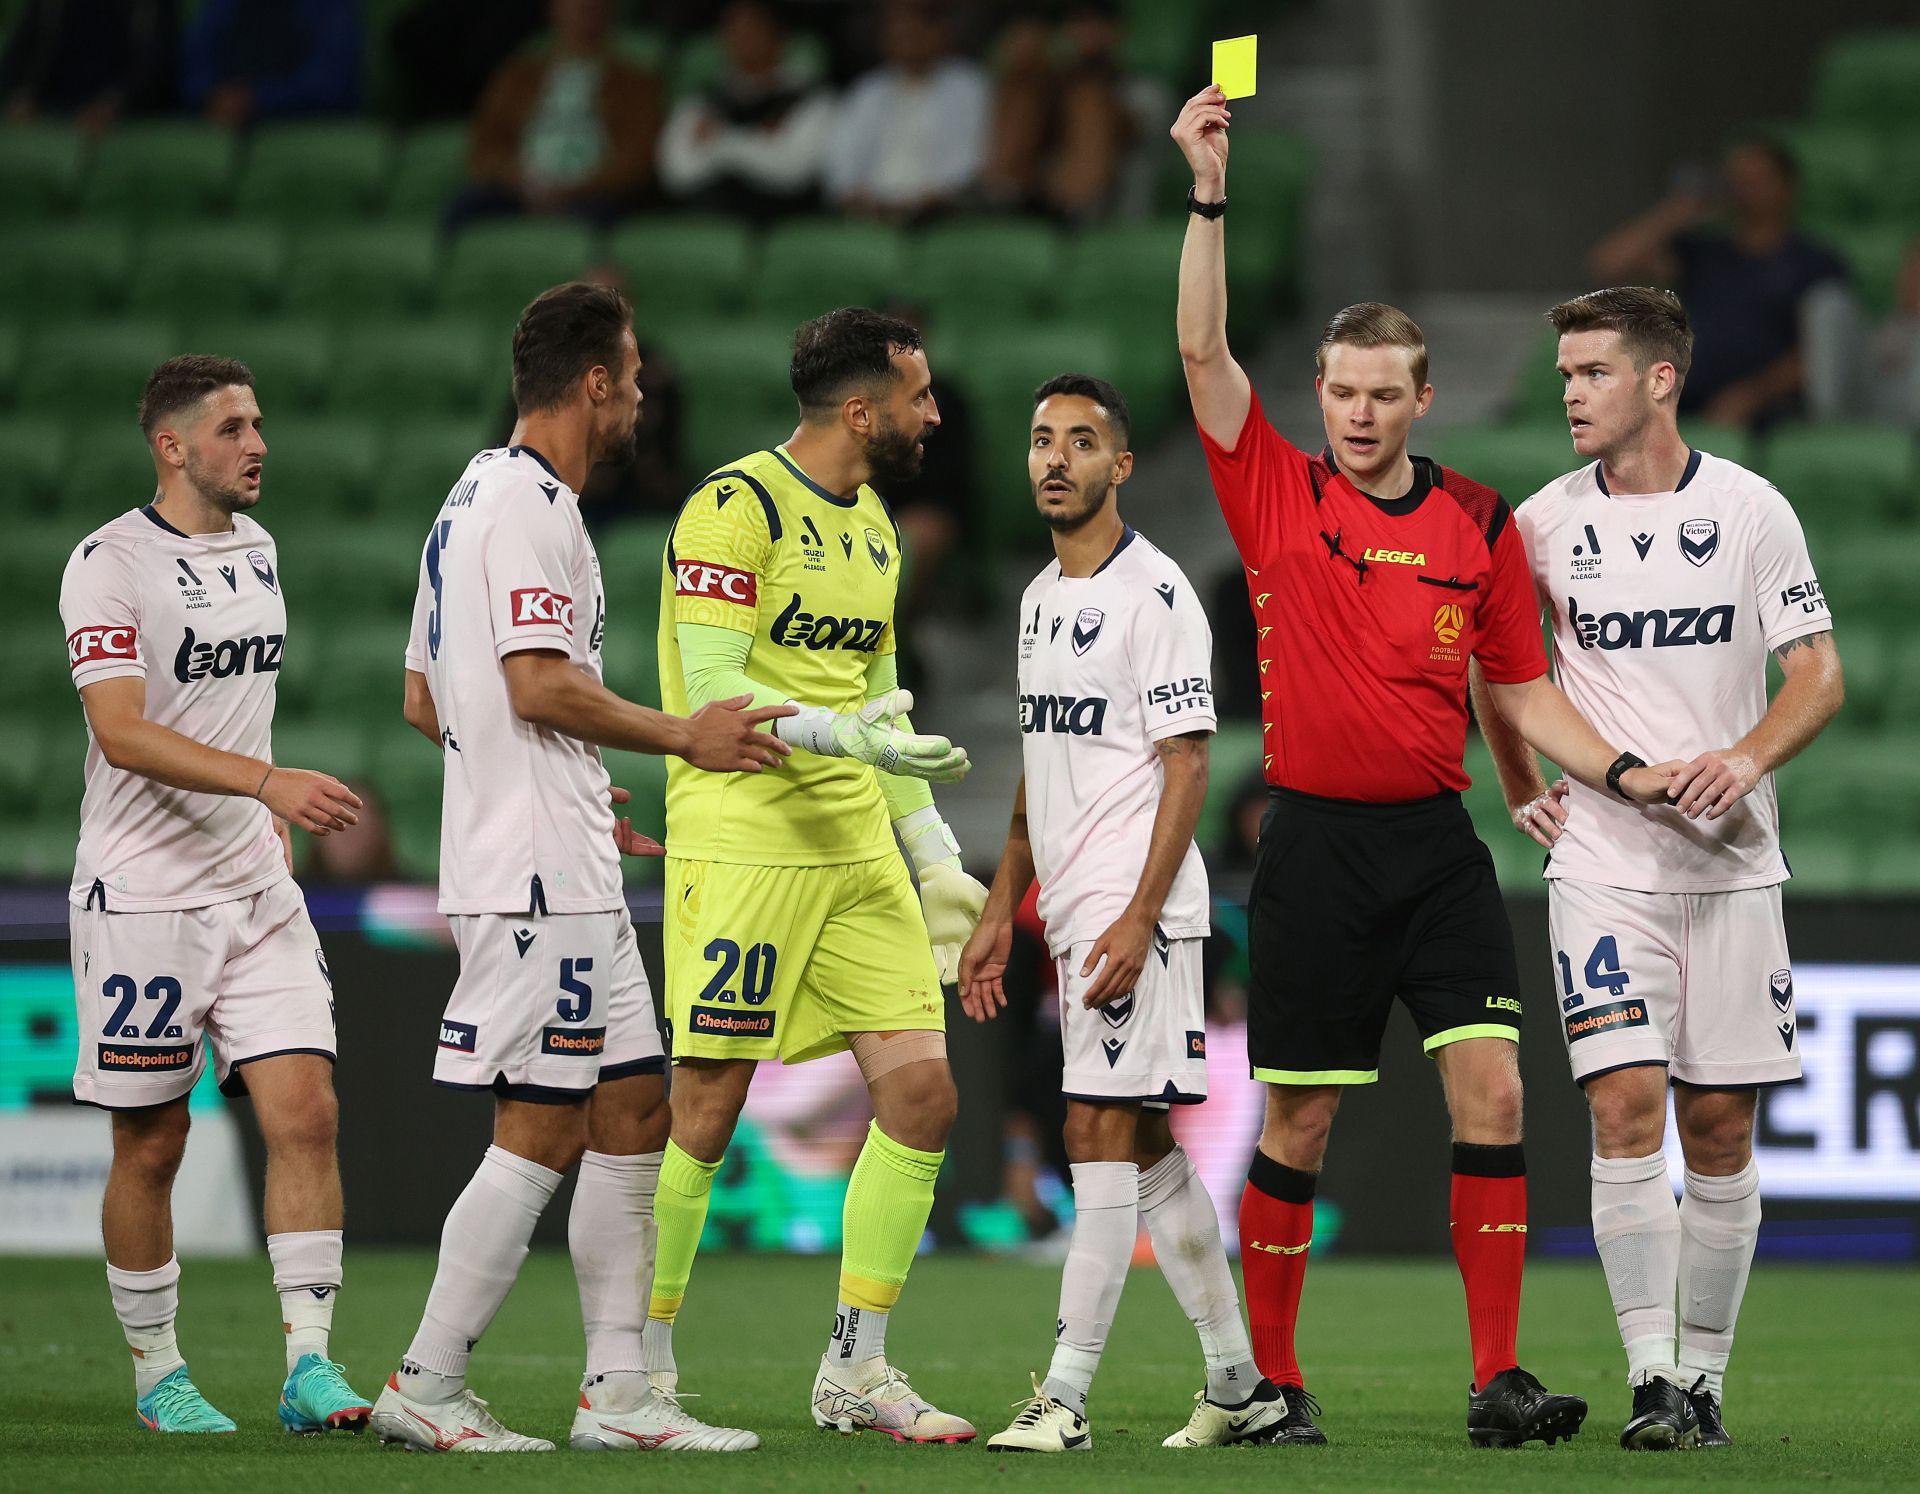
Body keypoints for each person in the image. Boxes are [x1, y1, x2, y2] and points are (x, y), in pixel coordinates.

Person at [1171, 85, 1685, 1448]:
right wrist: (1209, 193)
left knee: (1501, 1092)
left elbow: (1520, 686)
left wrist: (1626, 771)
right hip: (1315, 848)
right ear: (1321, 395)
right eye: (1338, 390)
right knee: (1298, 1127)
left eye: (1379, 393)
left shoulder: (1476, 519)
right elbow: (1201, 346)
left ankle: (1497, 1377)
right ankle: (1268, 1383)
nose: (1355, 411)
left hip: (1436, 848)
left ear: (1419, 397)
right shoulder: (1276, 490)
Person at [372, 282, 789, 1455]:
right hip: (533, 877)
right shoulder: (527, 506)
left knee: (633, 1106)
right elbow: (534, 683)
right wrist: (681, 736)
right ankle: (427, 1381)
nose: (646, 389)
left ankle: (619, 1397)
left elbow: (426, 696)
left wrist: (567, 777)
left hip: (560, 856)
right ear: (595, 381)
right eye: (636, 370)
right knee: (542, 1126)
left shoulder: (470, 499)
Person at [1471, 287, 1844, 1451]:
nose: (1569, 391)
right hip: (1604, 861)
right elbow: (1500, 669)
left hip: (1732, 864)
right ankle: (1651, 1380)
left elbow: (1819, 676)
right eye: (1567, 372)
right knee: (1625, 1105)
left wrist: (1741, 760)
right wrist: (1521, 781)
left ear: (1660, 379)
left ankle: (1708, 1387)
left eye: (1592, 372)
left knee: (1720, 1127)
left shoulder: (1749, 509)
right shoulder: (1536, 524)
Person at [644, 306, 985, 1444]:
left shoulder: (880, 525)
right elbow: (709, 690)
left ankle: (856, 1368)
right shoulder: (731, 509)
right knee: (706, 1107)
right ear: (861, 410)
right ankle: (640, 1366)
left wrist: (933, 855)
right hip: (745, 838)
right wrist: (849, 739)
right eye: (920, 395)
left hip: (851, 847)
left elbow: (883, 713)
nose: (934, 413)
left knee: (925, 1095)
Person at [959, 373, 1286, 1451]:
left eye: (1081, 441)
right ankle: (1240, 1387)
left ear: (1121, 465)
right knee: (1140, 1144)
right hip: (1072, 910)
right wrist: (1003, 907)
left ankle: (1064, 1398)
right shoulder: (1039, 599)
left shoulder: (1158, 598)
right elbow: (1033, 771)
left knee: (1094, 1133)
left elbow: (1189, 765)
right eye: (1043, 439)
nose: (1056, 458)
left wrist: (1143, 915)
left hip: (1133, 912)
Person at [58, 355, 370, 1434]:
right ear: (172, 445)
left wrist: (266, 812)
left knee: (308, 1113)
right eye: (234, 426)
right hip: (146, 893)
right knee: (152, 1144)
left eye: (260, 423)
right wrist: (266, 782)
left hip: (254, 882)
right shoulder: (107, 564)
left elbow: (240, 710)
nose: (259, 443)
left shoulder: (260, 548)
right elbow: (122, 730)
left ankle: (310, 1366)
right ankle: (158, 1374)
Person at [1588, 141, 1848, 430]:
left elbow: (1822, 351)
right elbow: (1609, 265)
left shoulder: (1815, 262)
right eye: (1737, 181)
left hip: (1769, 408)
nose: (1746, 190)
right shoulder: (1704, 253)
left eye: (1757, 181)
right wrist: (1677, 211)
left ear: (1788, 186)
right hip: (1684, 397)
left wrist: (1754, 394)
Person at [449, 0, 663, 231]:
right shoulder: (517, 76)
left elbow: (637, 158)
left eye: (596, 9)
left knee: (601, 215)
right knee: (466, 207)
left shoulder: (637, 83)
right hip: (518, 189)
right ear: (554, 10)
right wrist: (517, 178)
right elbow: (485, 146)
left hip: (592, 194)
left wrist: (575, 188)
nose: (587, 16)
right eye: (578, 8)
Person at [657, 0, 836, 222]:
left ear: (780, 35)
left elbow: (792, 171)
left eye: (752, 27)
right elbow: (677, 173)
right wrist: (761, 141)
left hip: (781, 225)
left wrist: (718, 142)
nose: (741, 38)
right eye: (732, 29)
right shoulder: (700, 101)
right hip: (709, 221)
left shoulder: (813, 99)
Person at [822, 0, 987, 221]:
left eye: (913, 31)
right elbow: (842, 155)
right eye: (895, 32)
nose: (903, 39)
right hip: (873, 210)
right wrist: (853, 193)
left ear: (938, 33)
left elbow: (972, 157)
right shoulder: (868, 90)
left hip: (939, 211)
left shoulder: (969, 86)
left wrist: (930, 198)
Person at [1, 0, 176, 131]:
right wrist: (22, 94)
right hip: (50, 111)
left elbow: (159, 66)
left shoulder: (152, 7)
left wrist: (116, 103)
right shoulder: (50, 6)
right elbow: (18, 56)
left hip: (127, 115)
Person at [180, 0, 360, 127]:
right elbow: (194, 65)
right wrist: (213, 97)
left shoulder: (330, 6)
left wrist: (255, 100)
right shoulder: (223, 5)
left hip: (300, 121)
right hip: (220, 119)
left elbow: (329, 82)